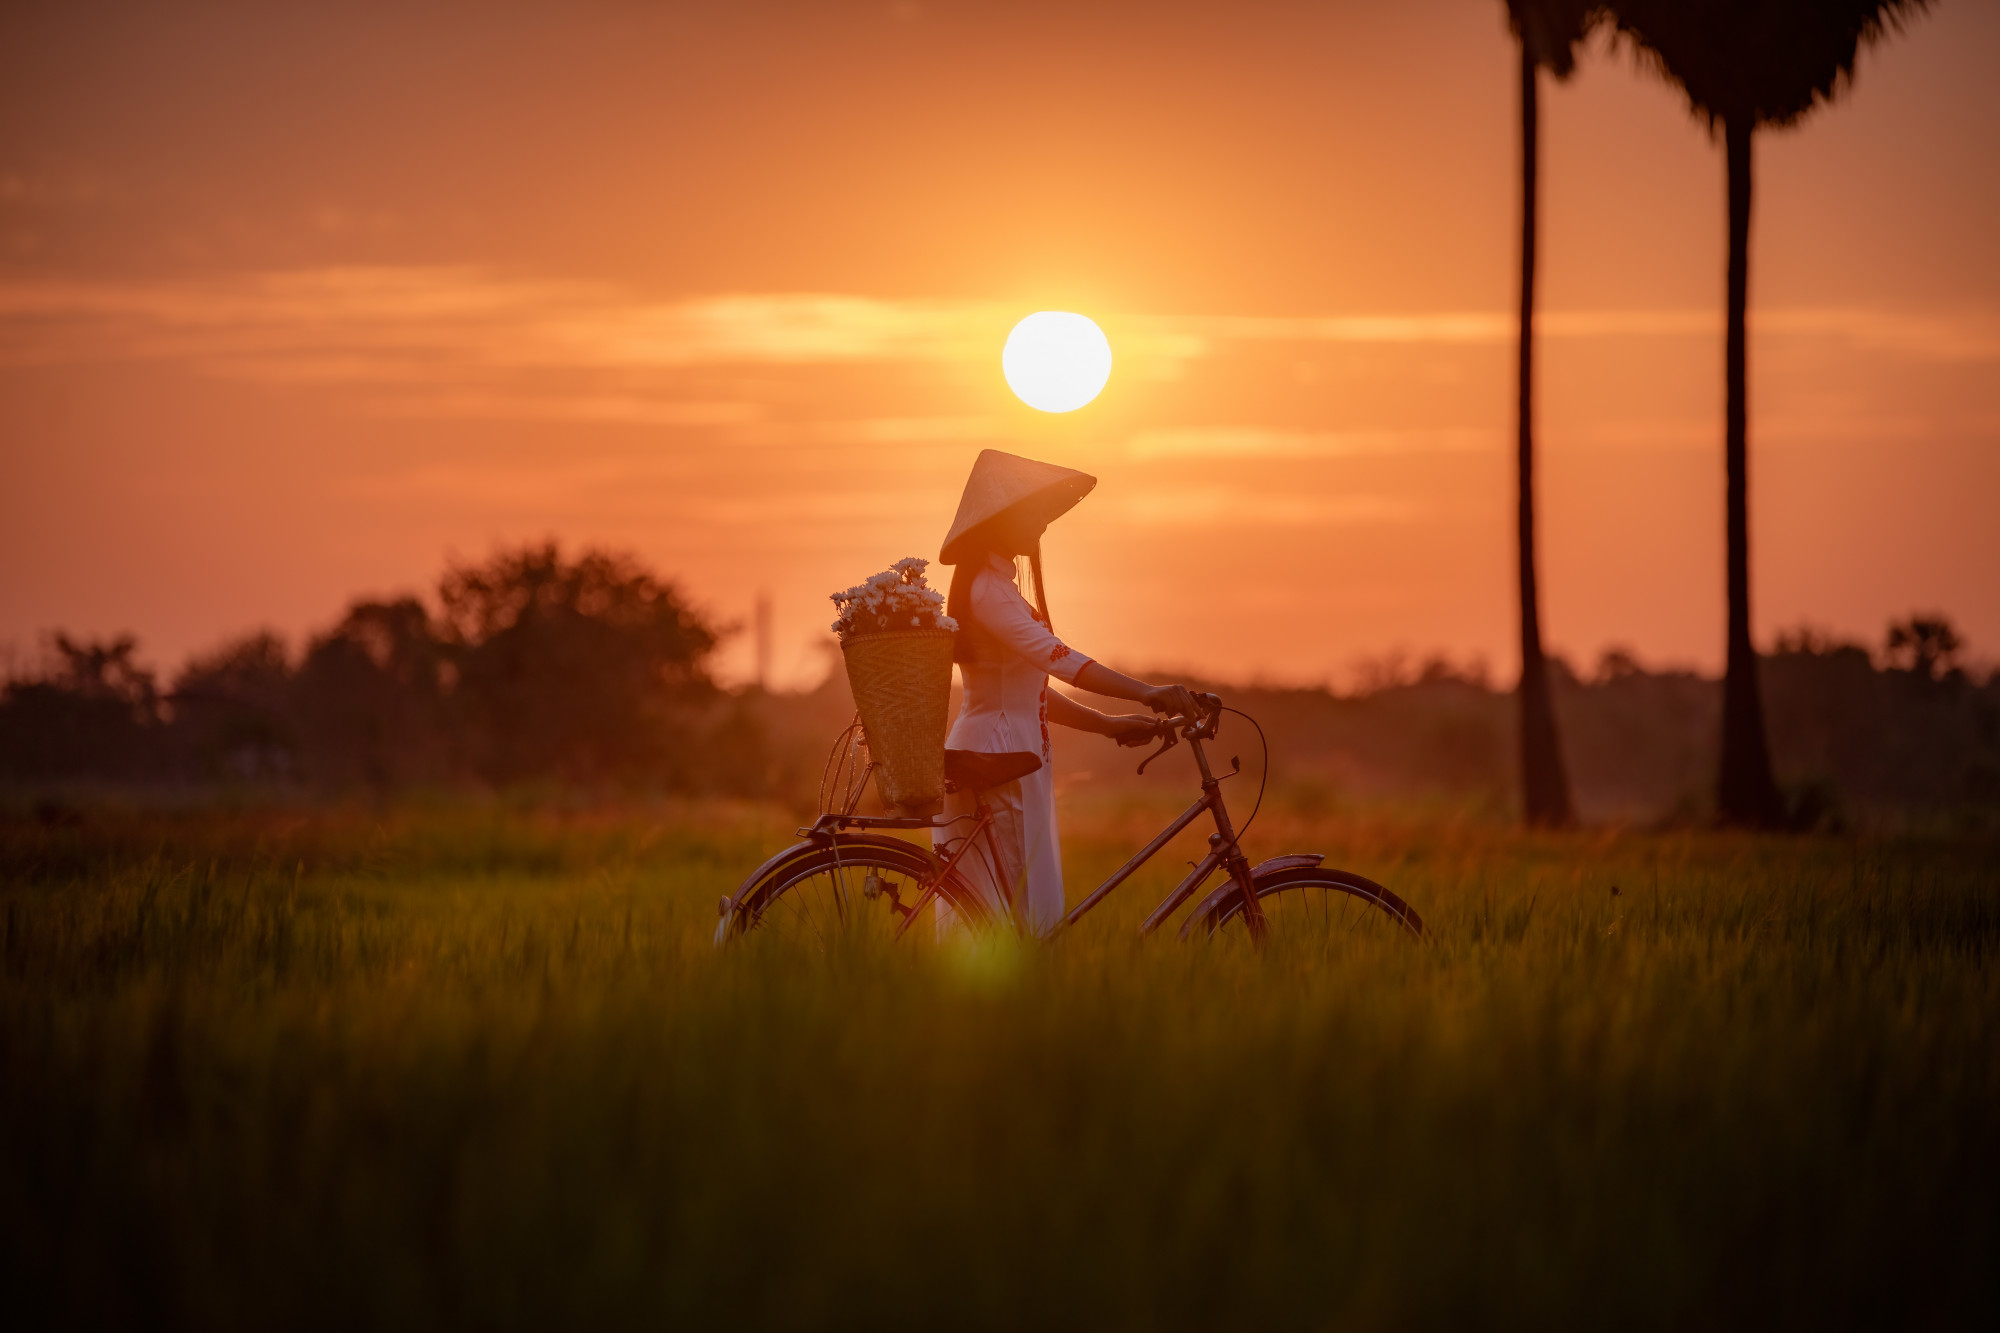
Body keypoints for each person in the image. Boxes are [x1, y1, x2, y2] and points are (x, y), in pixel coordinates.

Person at [933, 449, 1201, 936]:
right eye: (1032, 512)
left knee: (1013, 907)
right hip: (1001, 757)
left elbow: (1030, 692)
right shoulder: (989, 591)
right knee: (1010, 913)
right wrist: (1146, 692)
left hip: (1014, 751)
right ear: (1001, 519)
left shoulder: (998, 586)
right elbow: (1059, 660)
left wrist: (1109, 725)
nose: (1042, 524)